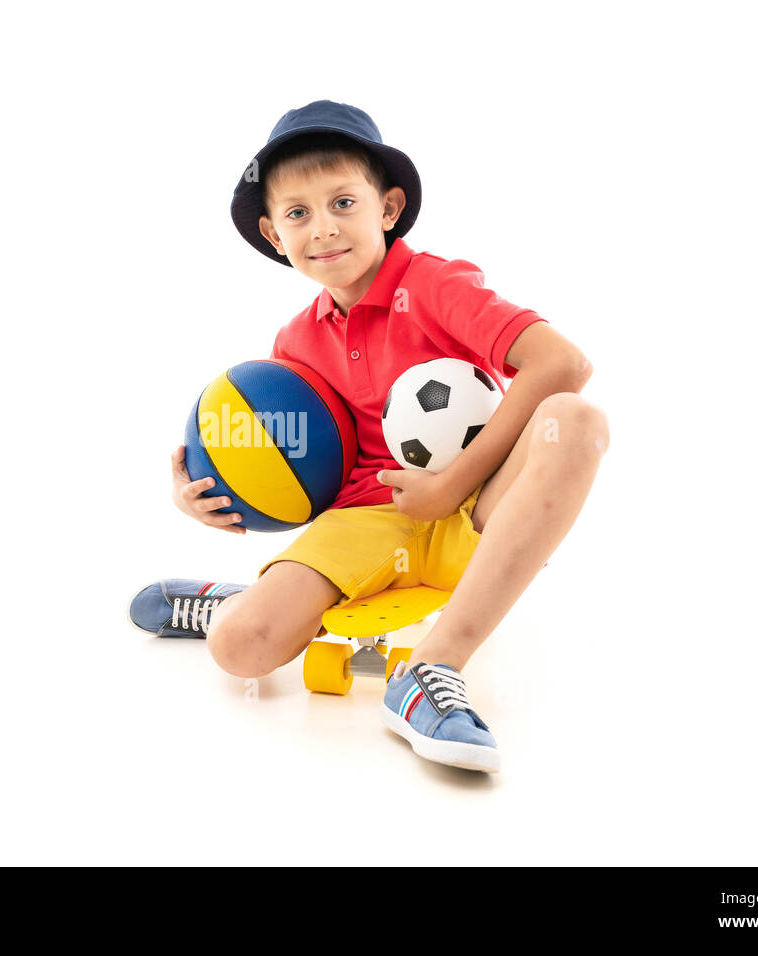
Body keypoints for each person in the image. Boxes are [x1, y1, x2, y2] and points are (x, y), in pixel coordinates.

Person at [130, 100, 610, 772]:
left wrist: (449, 486)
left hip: (477, 503)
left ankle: (431, 669)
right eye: (297, 214)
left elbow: (564, 363)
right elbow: (280, 454)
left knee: (576, 419)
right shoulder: (293, 344)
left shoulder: (434, 285)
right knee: (240, 648)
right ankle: (239, 606)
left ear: (387, 209)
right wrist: (210, 492)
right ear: (273, 233)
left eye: (343, 203)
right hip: (368, 520)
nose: (323, 228)